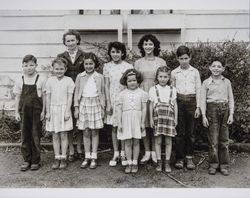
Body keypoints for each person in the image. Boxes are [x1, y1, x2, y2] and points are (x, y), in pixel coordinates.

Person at [134, 34, 166, 164]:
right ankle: (147, 152)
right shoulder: (138, 62)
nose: (148, 47)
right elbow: (135, 80)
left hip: (157, 94)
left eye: (150, 44)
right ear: (142, 46)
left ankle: (155, 151)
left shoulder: (161, 62)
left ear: (155, 46)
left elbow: (165, 78)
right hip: (142, 94)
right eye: (145, 44)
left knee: (155, 123)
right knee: (145, 123)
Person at [200, 58, 234, 176]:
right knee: (213, 140)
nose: (216, 68)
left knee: (224, 140)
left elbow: (230, 98)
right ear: (210, 67)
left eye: (219, 66)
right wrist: (203, 116)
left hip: (224, 110)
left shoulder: (227, 82)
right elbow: (202, 100)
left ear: (223, 69)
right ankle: (213, 164)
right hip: (211, 110)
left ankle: (224, 165)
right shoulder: (206, 83)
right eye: (214, 66)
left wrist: (231, 114)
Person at [171, 45, 201, 170]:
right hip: (179, 102)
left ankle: (189, 158)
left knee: (191, 133)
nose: (184, 61)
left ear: (190, 58)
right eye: (181, 58)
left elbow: (199, 89)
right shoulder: (174, 72)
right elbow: (172, 90)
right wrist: (173, 106)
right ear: (177, 59)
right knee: (180, 132)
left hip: (192, 102)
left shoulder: (195, 72)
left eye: (186, 58)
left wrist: (198, 107)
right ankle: (179, 158)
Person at [14, 54, 46, 171]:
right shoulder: (20, 80)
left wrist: (43, 111)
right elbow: (17, 97)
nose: (29, 67)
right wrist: (16, 112)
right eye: (26, 65)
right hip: (23, 112)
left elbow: (44, 97)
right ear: (22, 66)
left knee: (35, 135)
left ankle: (35, 160)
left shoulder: (40, 79)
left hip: (36, 111)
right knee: (25, 135)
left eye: (32, 65)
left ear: (36, 65)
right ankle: (26, 159)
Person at [103, 41, 133, 167]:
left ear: (122, 53)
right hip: (112, 100)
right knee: (114, 127)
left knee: (124, 127)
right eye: (113, 52)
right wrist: (108, 103)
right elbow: (106, 85)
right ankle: (115, 153)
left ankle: (123, 152)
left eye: (118, 52)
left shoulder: (128, 66)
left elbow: (130, 84)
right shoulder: (107, 66)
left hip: (124, 99)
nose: (115, 54)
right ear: (110, 53)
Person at [57, 30, 86, 162]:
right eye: (68, 41)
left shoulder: (85, 55)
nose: (70, 43)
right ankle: (71, 149)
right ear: (65, 43)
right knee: (68, 122)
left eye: (73, 40)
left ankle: (79, 148)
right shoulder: (61, 56)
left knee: (80, 121)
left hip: (81, 92)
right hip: (66, 92)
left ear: (77, 41)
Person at [74, 52, 105, 169]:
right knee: (86, 131)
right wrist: (76, 107)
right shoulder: (80, 77)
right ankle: (87, 156)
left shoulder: (99, 77)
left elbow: (102, 93)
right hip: (84, 104)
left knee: (94, 131)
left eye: (91, 64)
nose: (88, 66)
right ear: (83, 65)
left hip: (96, 104)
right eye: (86, 64)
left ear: (95, 64)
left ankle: (94, 157)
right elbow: (76, 93)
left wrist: (103, 108)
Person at [45, 57, 75, 169]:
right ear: (53, 69)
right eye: (56, 69)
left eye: (61, 69)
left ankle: (63, 157)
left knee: (63, 134)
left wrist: (67, 111)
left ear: (66, 69)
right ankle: (57, 157)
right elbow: (47, 97)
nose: (59, 71)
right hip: (53, 110)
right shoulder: (50, 81)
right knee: (55, 135)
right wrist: (48, 112)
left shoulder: (69, 80)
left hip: (64, 109)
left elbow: (70, 97)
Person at [117, 69, 148, 173]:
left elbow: (144, 108)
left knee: (136, 142)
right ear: (126, 82)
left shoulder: (142, 93)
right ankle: (129, 162)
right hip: (126, 120)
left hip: (137, 119)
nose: (132, 83)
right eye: (130, 81)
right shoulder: (122, 94)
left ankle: (135, 162)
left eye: (134, 80)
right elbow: (119, 110)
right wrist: (120, 123)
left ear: (138, 81)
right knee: (127, 142)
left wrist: (143, 122)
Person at [149, 66, 178, 173]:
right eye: (160, 76)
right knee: (158, 141)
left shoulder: (172, 89)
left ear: (169, 77)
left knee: (168, 141)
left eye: (165, 77)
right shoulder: (153, 89)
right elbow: (151, 105)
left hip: (169, 118)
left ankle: (167, 163)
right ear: (157, 77)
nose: (163, 79)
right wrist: (151, 119)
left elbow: (175, 105)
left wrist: (176, 118)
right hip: (157, 118)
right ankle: (159, 162)